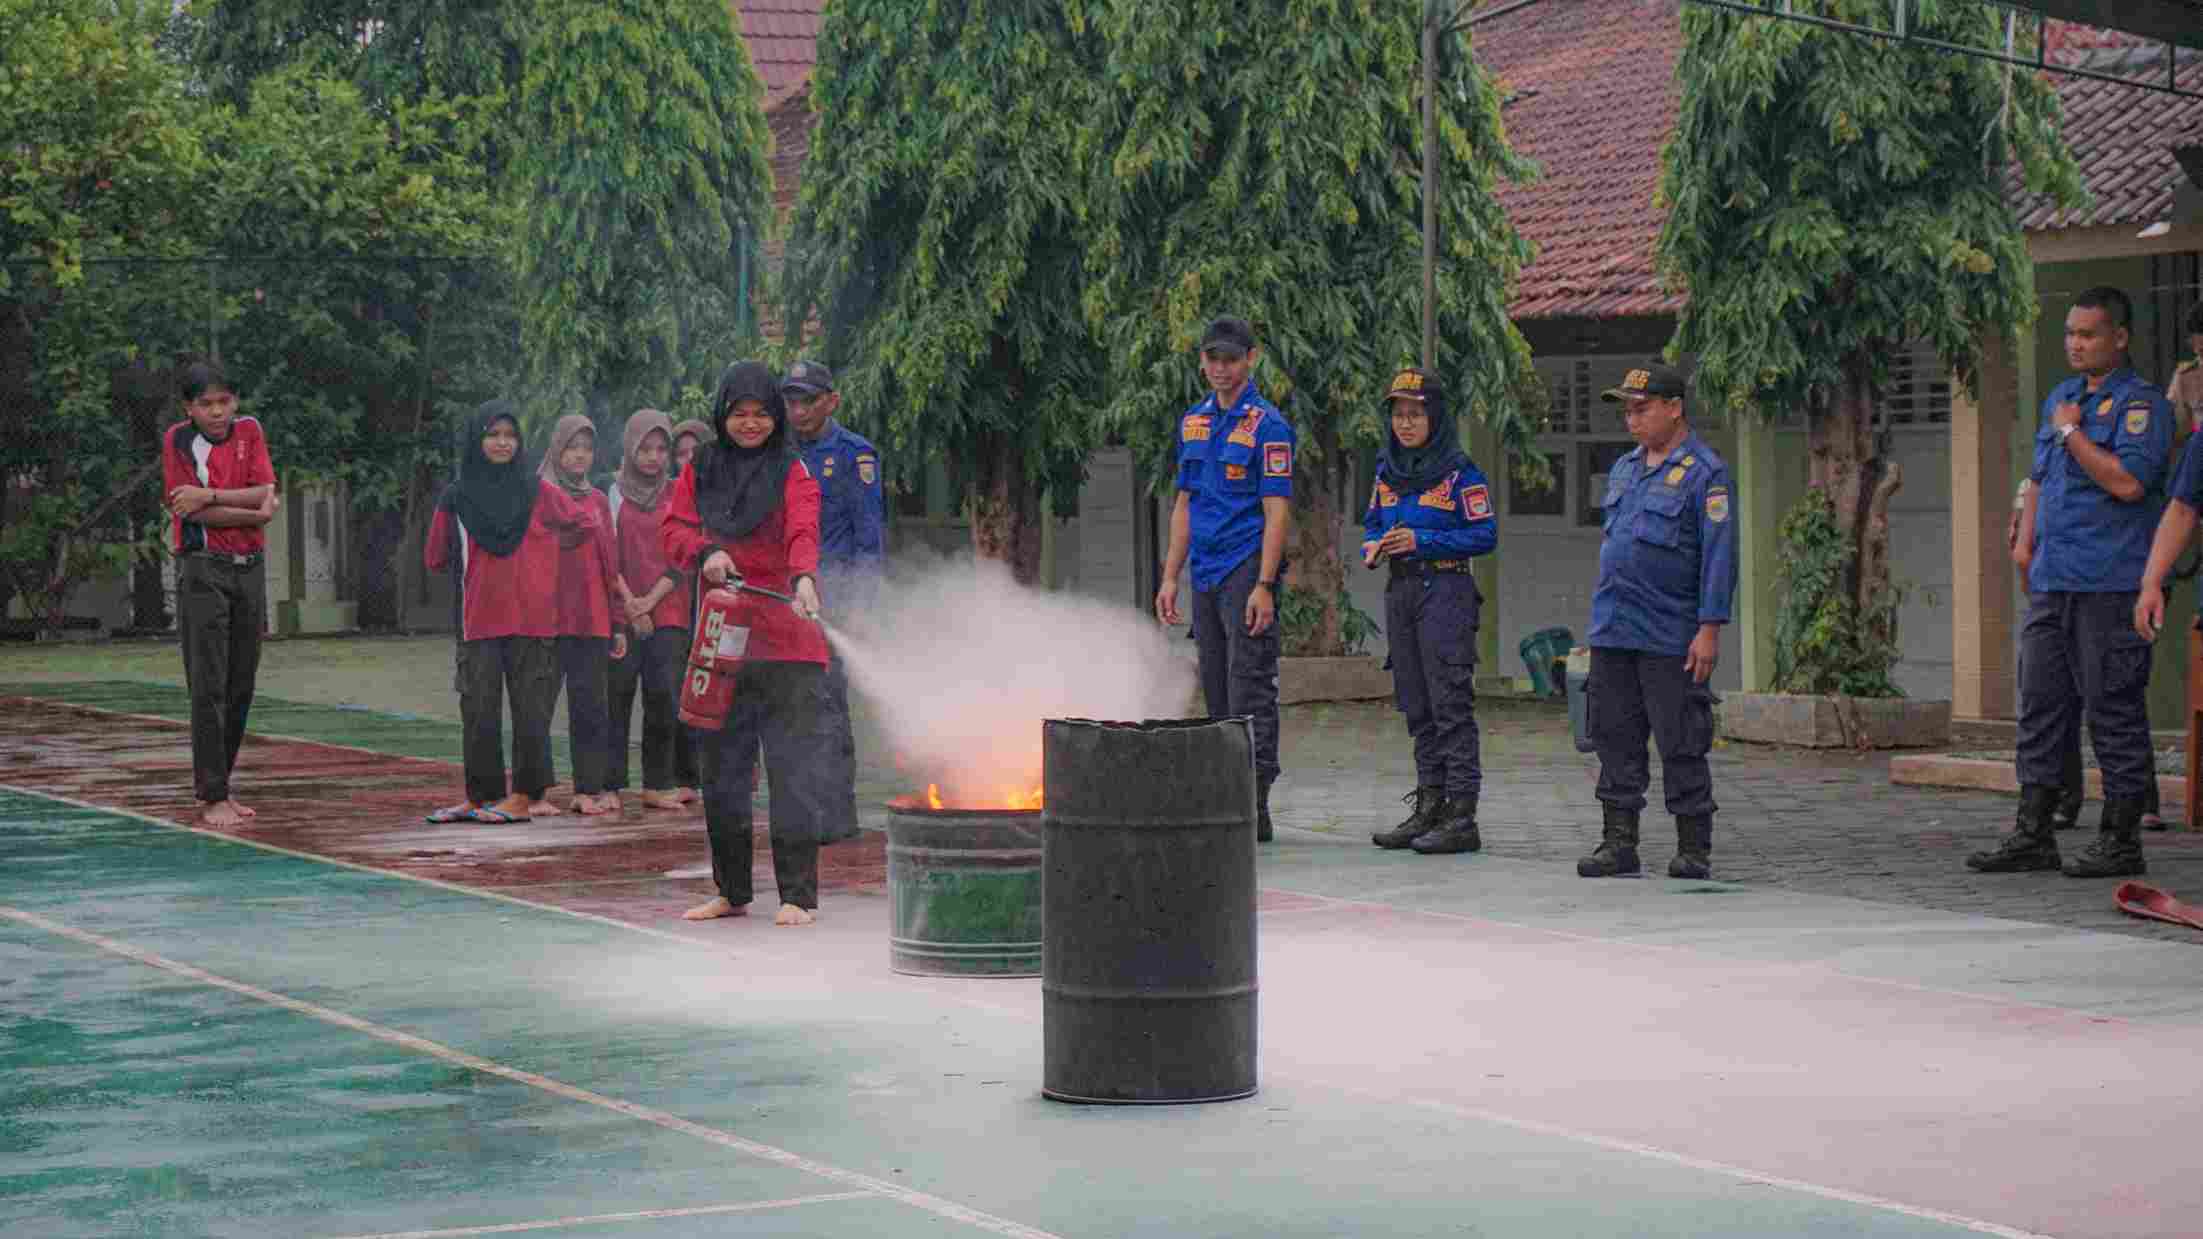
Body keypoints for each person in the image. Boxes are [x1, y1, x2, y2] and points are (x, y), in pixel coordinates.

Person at [1976, 286, 2173, 878]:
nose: (2076, 345)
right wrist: (2023, 546)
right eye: (2070, 334)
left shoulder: (2142, 407)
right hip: (2053, 579)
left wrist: (2072, 435)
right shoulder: (2061, 398)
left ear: (2120, 338)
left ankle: (2121, 839)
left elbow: (2127, 485)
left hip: (2109, 582)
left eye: (2088, 334)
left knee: (2112, 709)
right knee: (2039, 705)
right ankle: (2033, 831)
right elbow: (2038, 480)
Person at [661, 362, 829, 927]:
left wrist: (804, 577)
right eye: (740, 414)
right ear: (723, 416)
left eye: (761, 414)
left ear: (775, 416)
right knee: (723, 773)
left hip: (788, 644)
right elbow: (674, 528)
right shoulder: (701, 468)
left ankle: (798, 896)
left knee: (792, 773)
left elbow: (804, 529)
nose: (751, 424)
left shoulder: (793, 470)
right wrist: (707, 553)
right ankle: (731, 890)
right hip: (722, 641)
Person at [1576, 364, 1736, 880]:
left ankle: (1694, 846)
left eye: (1641, 408)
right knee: (1613, 737)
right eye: (1626, 409)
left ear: (1674, 407)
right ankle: (1618, 842)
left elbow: (1719, 556)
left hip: (1671, 632)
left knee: (1680, 739)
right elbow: (1613, 544)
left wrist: (1709, 627)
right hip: (1615, 627)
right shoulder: (1624, 468)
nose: (1632, 418)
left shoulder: (1704, 473)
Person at [423, 399, 600, 824]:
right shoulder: (457, 496)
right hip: (479, 620)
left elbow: (586, 523)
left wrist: (548, 556)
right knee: (478, 710)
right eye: (493, 435)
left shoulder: (538, 490)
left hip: (534, 620)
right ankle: (480, 796)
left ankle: (523, 797)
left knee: (531, 713)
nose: (502, 443)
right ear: (477, 440)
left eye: (510, 436)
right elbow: (434, 556)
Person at [1153, 316, 1295, 842]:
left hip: (1245, 569)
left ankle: (1253, 803)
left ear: (1250, 360)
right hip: (1205, 571)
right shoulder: (1192, 422)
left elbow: (1277, 511)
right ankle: (1222, 797)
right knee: (1214, 688)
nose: (1221, 369)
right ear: (1201, 361)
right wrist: (1170, 577)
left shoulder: (1268, 426)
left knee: (1249, 686)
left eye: (1231, 359)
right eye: (1213, 358)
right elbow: (1184, 504)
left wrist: (1265, 583)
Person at [1362, 368, 1498, 855]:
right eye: (1398, 414)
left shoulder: (1461, 472)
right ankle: (1429, 807)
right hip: (1401, 592)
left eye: (1416, 414)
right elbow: (1373, 521)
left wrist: (1424, 539)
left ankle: (1462, 816)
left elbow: (1485, 535)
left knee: (1450, 707)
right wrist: (1373, 545)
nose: (1406, 424)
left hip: (1445, 589)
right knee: (1417, 707)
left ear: (1435, 417)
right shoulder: (1387, 470)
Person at [162, 359, 280, 828]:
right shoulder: (178, 441)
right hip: (203, 569)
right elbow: (189, 512)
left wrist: (209, 495)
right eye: (205, 404)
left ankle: (223, 786)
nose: (217, 412)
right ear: (188, 408)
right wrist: (246, 505)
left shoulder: (250, 430)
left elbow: (266, 497)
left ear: (235, 402)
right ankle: (212, 795)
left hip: (249, 569)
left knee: (241, 684)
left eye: (224, 401)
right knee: (208, 685)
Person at [781, 360, 884, 844]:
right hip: (783, 600)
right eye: (792, 401)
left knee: (827, 708)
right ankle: (800, 809)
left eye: (807, 400)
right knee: (788, 709)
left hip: (834, 601)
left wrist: (863, 605)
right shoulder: (779, 451)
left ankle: (837, 816)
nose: (797, 410)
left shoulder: (853, 455)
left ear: (831, 401)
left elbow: (869, 538)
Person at [539, 414, 626, 815]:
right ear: (557, 449)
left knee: (592, 707)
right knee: (536, 706)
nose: (579, 455)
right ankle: (533, 791)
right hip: (548, 619)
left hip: (593, 619)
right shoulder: (539, 495)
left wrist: (617, 621)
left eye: (587, 448)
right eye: (572, 446)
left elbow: (611, 563)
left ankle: (588, 788)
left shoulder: (596, 500)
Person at [607, 409, 692, 811]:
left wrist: (650, 602)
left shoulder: (678, 494)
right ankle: (609, 783)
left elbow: (682, 557)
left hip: (668, 609)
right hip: (622, 611)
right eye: (645, 448)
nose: (654, 457)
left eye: (661, 449)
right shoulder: (612, 493)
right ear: (630, 448)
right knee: (617, 698)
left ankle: (658, 783)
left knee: (663, 697)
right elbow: (606, 554)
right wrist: (630, 605)